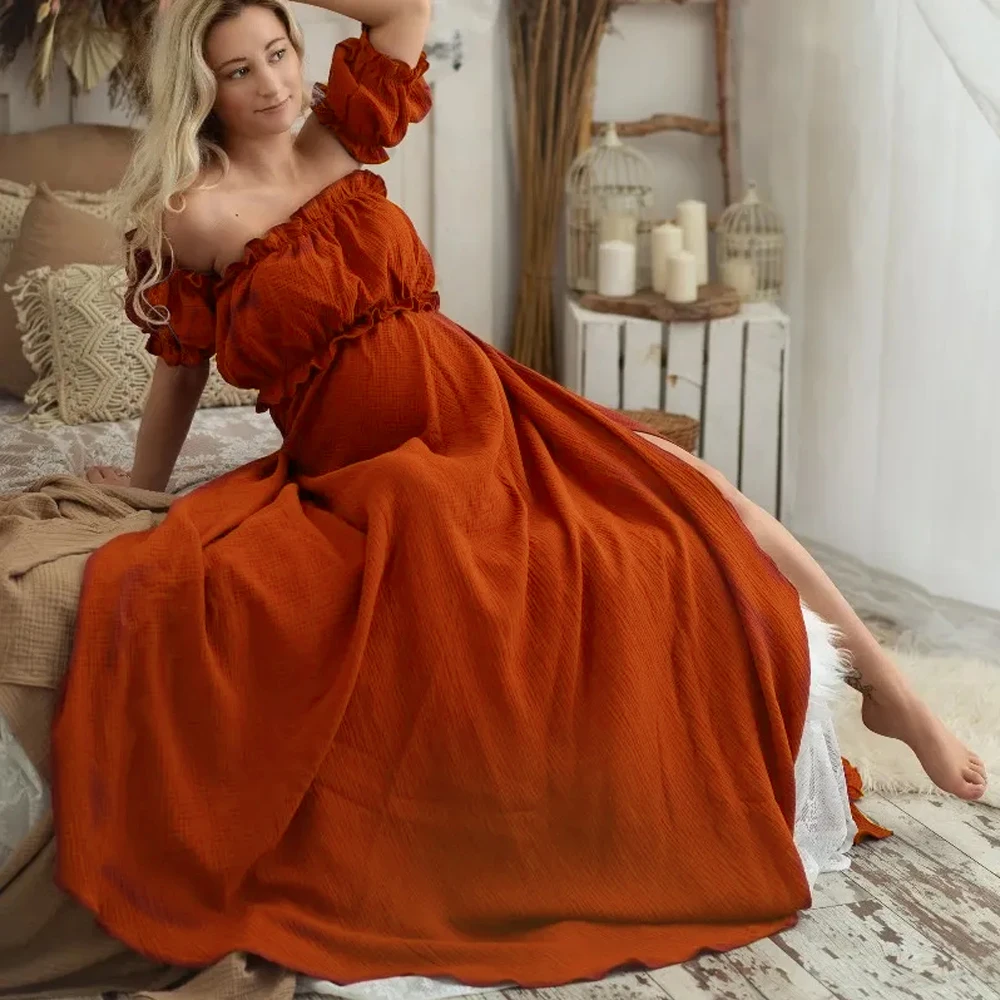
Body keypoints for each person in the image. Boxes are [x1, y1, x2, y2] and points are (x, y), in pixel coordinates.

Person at [67, 0, 985, 987]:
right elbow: (179, 371)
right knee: (493, 573)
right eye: (239, 70)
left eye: (279, 52)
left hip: (480, 400)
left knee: (701, 495)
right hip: (371, 465)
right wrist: (144, 490)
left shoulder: (334, 140)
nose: (273, 83)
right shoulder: (194, 213)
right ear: (201, 90)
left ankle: (892, 696)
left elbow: (402, 11)